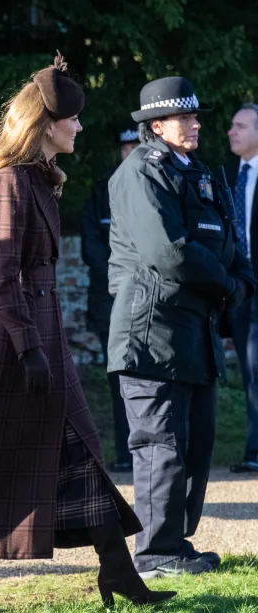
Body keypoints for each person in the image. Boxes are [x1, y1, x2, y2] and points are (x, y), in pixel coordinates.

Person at [0, 56, 174, 610]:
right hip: (9, 339)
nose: (79, 127)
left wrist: (40, 342)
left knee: (80, 444)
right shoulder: (12, 180)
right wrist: (28, 347)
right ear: (45, 125)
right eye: (72, 119)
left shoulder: (40, 178)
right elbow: (2, 272)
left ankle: (118, 571)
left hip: (38, 333)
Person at [108, 77, 256, 578]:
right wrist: (228, 286)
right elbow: (168, 251)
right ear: (156, 126)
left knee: (195, 443)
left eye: (196, 116)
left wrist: (241, 281)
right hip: (152, 331)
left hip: (194, 329)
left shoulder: (197, 171)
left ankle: (175, 544)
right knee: (160, 443)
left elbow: (228, 240)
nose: (196, 124)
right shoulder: (141, 172)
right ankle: (154, 555)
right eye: (185, 117)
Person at [80, 126, 139, 473]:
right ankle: (126, 453)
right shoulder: (102, 190)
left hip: (147, 300)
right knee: (118, 378)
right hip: (110, 302)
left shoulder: (156, 186)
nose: (129, 151)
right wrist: (122, 279)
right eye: (124, 146)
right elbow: (91, 247)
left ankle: (153, 451)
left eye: (135, 145)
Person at [225, 102, 258, 474]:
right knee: (249, 369)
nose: (231, 132)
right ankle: (254, 449)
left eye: (241, 126)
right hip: (239, 290)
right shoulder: (226, 174)